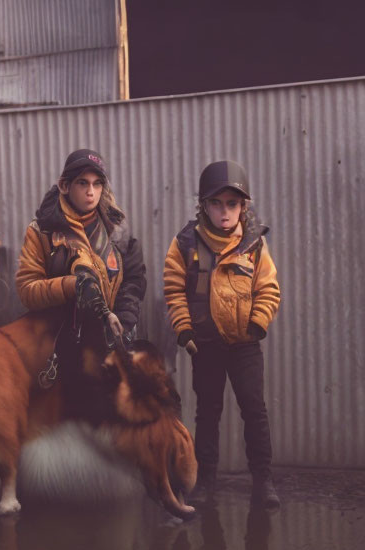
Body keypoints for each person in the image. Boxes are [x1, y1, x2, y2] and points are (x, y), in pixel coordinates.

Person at [163, 160, 281, 508]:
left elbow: (269, 288)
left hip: (245, 346)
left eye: (232, 203)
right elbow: (173, 290)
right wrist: (185, 331)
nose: (224, 211)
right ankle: (205, 482)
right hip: (206, 347)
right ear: (204, 206)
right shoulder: (186, 243)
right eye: (216, 203)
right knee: (208, 411)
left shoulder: (253, 244)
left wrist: (257, 323)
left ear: (243, 206)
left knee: (254, 410)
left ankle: (263, 481)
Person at [15, 149, 147, 354]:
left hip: (110, 341)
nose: (91, 192)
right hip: (57, 345)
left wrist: (124, 323)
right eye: (83, 183)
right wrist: (71, 286)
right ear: (65, 185)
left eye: (97, 183)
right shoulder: (42, 231)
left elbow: (133, 282)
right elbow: (27, 290)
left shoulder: (117, 231)